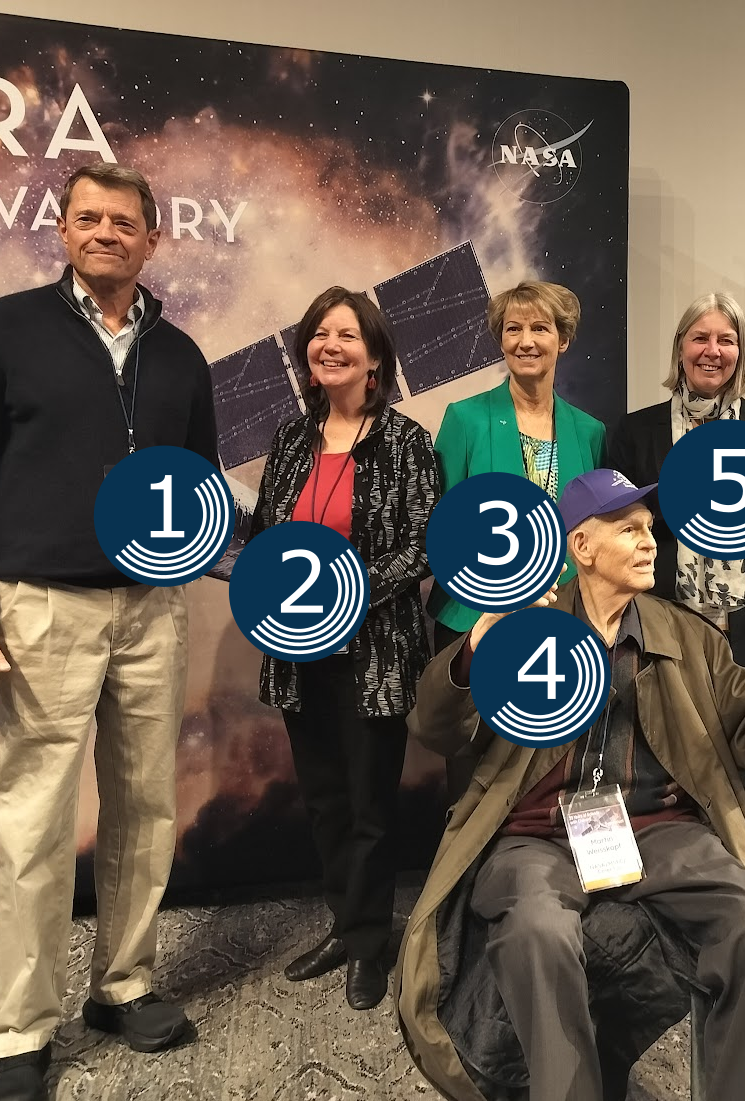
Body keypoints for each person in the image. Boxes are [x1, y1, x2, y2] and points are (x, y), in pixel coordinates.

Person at [394, 467, 745, 1101]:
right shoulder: (522, 626)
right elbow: (435, 728)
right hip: (537, 835)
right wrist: (476, 647)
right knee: (536, 933)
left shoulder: (689, 635)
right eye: (629, 529)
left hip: (659, 829)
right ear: (581, 546)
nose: (650, 542)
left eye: (650, 529)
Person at [0, 163, 217, 1101]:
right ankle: (21, 1032)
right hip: (40, 607)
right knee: (35, 817)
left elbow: (199, 487)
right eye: (89, 217)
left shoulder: (182, 356)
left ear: (152, 238)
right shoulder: (4, 330)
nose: (105, 233)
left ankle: (124, 985)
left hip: (151, 609)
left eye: (124, 221)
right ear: (63, 229)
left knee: (145, 807)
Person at [252, 286, 440, 1010]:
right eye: (320, 334)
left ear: (375, 358)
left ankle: (368, 941)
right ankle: (344, 919)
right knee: (325, 798)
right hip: (297, 652)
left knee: (368, 803)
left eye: (348, 336)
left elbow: (424, 544)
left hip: (373, 652)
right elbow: (269, 534)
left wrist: (347, 587)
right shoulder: (290, 439)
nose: (331, 346)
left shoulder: (404, 441)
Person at [606, 292, 745, 676]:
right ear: (680, 347)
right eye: (700, 338)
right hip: (657, 627)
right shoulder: (635, 431)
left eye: (726, 340)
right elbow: (619, 534)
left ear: (741, 352)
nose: (712, 351)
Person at [427, 280, 606, 656]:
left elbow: (595, 534)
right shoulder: (465, 420)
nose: (526, 342)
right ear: (501, 340)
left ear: (563, 340)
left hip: (564, 619)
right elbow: (438, 526)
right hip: (475, 621)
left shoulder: (590, 432)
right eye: (513, 329)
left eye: (540, 328)